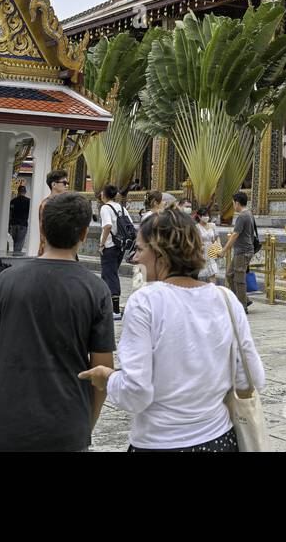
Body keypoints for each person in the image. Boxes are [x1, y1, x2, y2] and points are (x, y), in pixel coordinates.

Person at [78, 207, 265, 452]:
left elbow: (136, 393)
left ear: (162, 255)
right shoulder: (226, 299)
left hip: (160, 442)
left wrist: (108, 379)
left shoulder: (145, 301)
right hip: (219, 439)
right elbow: (253, 377)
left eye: (141, 249)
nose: (136, 257)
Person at [0, 190, 115, 451]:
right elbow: (102, 371)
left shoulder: (8, 282)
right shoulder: (96, 289)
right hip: (66, 422)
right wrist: (84, 426)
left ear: (41, 230)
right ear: (83, 234)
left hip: (1, 420)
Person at [223, 191, 259, 312]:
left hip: (243, 251)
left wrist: (224, 250)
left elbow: (234, 235)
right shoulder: (248, 213)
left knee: (239, 278)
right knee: (230, 274)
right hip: (243, 250)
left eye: (233, 203)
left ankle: (242, 305)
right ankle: (243, 299)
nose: (233, 206)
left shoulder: (242, 216)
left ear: (237, 203)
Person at [97, 184, 128, 319]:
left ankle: (115, 310)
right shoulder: (121, 207)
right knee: (109, 274)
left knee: (110, 275)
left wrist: (102, 244)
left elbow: (108, 225)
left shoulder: (105, 208)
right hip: (120, 246)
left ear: (104, 194)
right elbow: (129, 224)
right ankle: (106, 305)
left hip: (109, 246)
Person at [132, 191, 164, 292]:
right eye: (162, 201)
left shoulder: (153, 215)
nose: (163, 203)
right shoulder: (150, 216)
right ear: (155, 202)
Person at [35, 169, 69, 255]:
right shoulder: (46, 204)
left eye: (67, 183)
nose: (66, 186)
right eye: (64, 183)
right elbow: (44, 229)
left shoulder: (65, 203)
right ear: (54, 184)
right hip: (50, 250)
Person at [8, 185, 30, 256]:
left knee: (15, 241)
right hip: (23, 224)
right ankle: (16, 256)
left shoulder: (13, 201)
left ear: (18, 191)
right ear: (25, 192)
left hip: (14, 224)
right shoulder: (28, 201)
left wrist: (9, 224)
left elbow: (10, 214)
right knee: (20, 241)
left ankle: (15, 254)